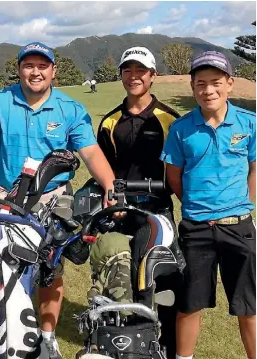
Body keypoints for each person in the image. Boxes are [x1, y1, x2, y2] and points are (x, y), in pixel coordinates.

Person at [0, 41, 118, 359]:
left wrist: (111, 186)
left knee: (51, 264)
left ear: (53, 71)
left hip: (54, 193)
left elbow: (90, 152)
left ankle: (46, 336)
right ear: (19, 70)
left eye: (42, 66)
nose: (35, 71)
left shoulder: (70, 109)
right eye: (28, 65)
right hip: (6, 189)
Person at [160, 51, 256, 359]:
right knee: (189, 304)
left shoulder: (249, 123)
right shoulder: (181, 128)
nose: (208, 90)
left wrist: (245, 203)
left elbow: (255, 168)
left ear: (230, 84)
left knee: (249, 306)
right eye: (201, 84)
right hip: (196, 229)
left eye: (216, 83)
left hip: (238, 228)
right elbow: (173, 176)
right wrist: (193, 206)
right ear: (192, 87)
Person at [95, 46, 182, 357]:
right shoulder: (109, 122)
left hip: (157, 211)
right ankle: (124, 341)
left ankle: (167, 346)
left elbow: (180, 171)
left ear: (152, 75)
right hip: (119, 212)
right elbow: (101, 168)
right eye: (127, 70)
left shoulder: (170, 119)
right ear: (121, 76)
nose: (134, 76)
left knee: (164, 281)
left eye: (140, 71)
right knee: (118, 277)